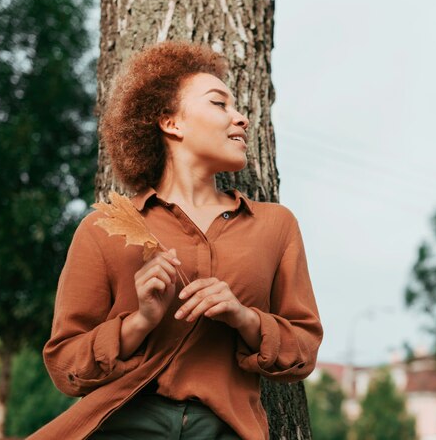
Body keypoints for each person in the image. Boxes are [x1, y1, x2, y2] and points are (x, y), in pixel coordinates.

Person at [29, 41, 323, 440]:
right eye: (219, 104)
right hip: (124, 424)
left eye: (238, 108)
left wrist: (244, 317)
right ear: (172, 123)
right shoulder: (104, 228)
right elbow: (66, 365)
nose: (241, 119)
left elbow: (303, 350)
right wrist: (139, 322)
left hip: (226, 428)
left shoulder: (276, 225)